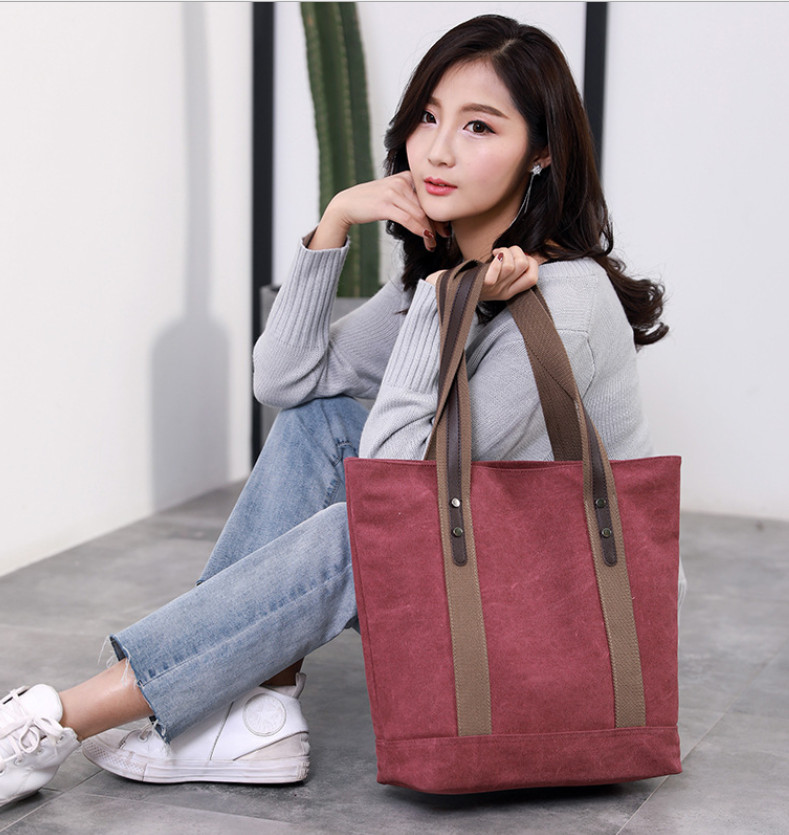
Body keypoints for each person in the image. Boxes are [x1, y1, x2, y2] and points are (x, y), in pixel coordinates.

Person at [0, 14, 686, 807]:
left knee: (362, 523)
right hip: (481, 582)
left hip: (560, 622)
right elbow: (285, 381)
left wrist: (440, 312)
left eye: (478, 126)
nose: (437, 150)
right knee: (319, 423)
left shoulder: (566, 303)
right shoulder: (447, 272)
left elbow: (402, 495)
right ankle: (243, 704)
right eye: (428, 117)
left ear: (541, 151)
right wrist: (334, 224)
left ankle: (57, 721)